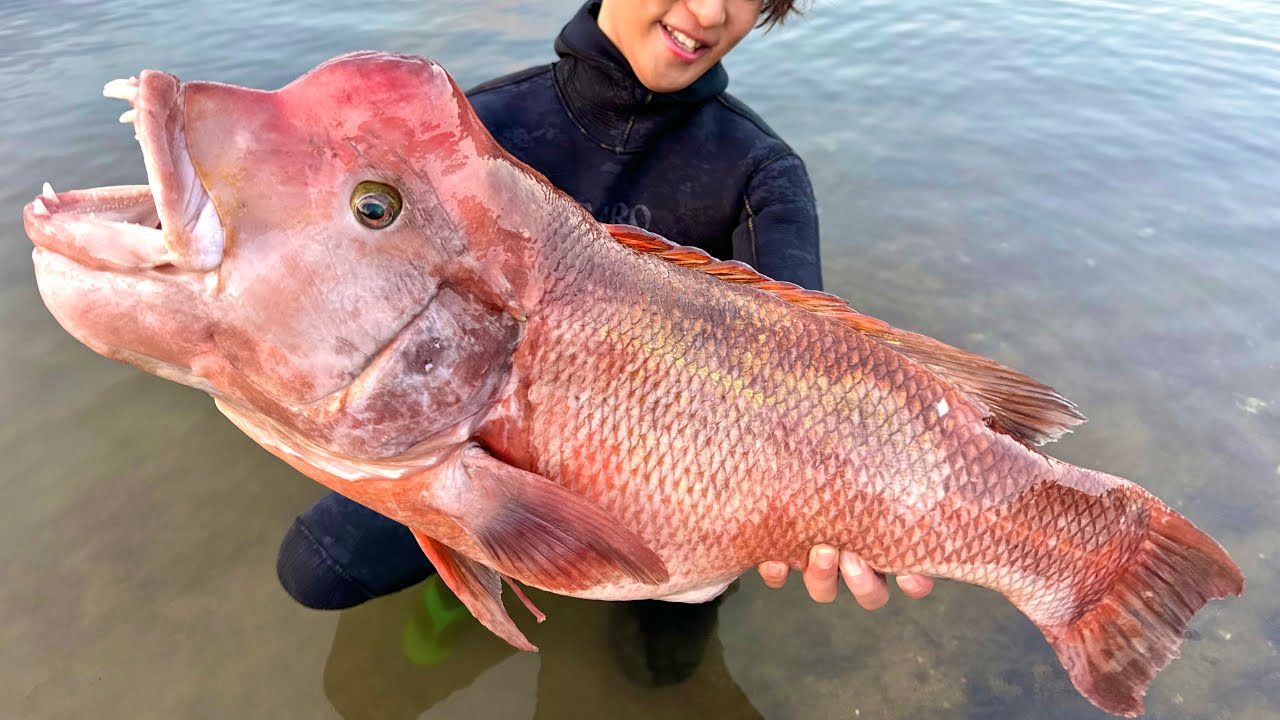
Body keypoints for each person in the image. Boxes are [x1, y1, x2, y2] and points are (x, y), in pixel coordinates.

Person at [277, 0, 933, 680]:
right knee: (316, 569)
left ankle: (683, 589)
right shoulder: (475, 130)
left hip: (684, 486)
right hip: (475, 452)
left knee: (657, 675)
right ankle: (470, 574)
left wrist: (847, 497)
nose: (710, 11)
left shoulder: (762, 174)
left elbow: (813, 380)